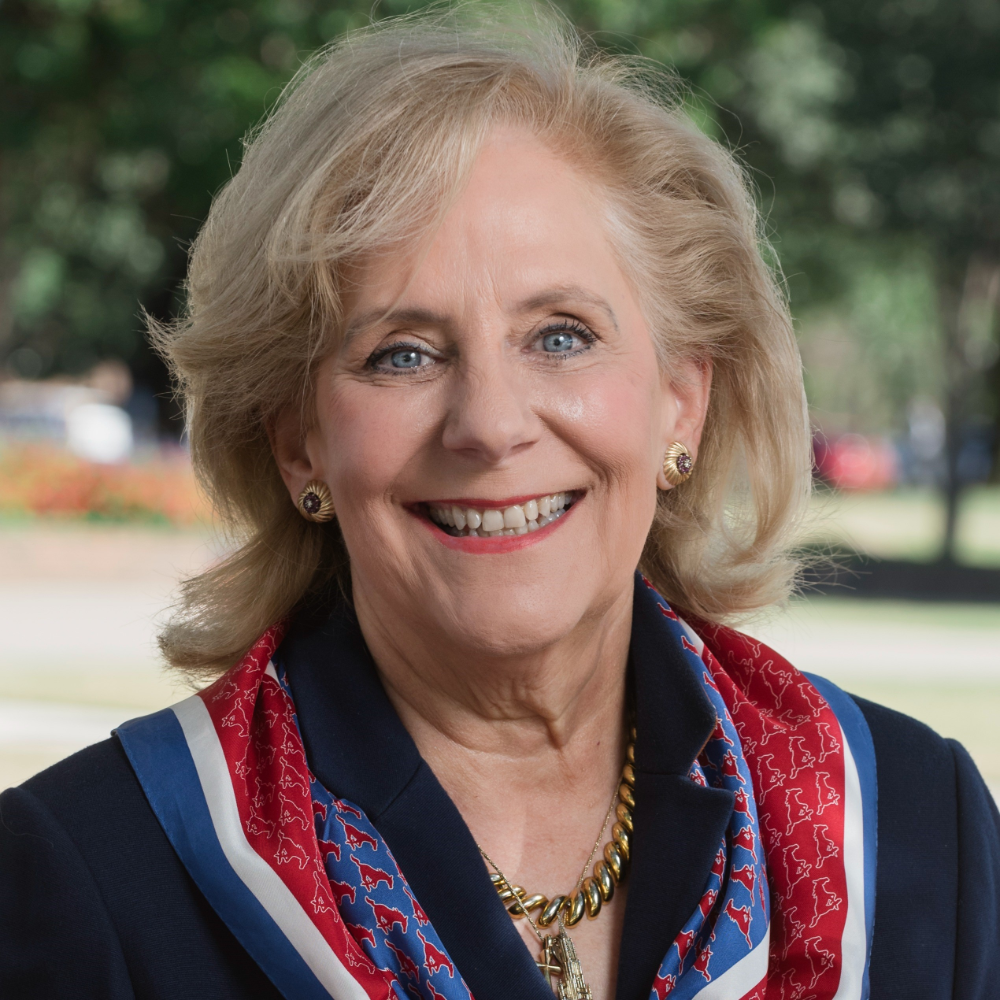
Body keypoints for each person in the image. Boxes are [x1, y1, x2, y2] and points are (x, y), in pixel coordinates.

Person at [2, 8, 998, 1000]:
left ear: (678, 403)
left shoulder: (914, 828)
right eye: (402, 352)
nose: (488, 424)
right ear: (297, 440)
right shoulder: (90, 879)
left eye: (560, 335)